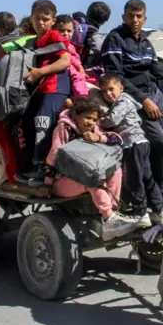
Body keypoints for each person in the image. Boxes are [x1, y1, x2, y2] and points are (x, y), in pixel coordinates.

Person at [101, 0, 163, 204]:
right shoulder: (115, 40)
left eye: (139, 16)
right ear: (124, 17)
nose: (135, 20)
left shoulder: (147, 44)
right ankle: (155, 196)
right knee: (161, 143)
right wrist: (143, 101)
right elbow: (116, 77)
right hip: (133, 99)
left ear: (145, 18)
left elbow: (159, 76)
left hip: (156, 96)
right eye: (131, 15)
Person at [44, 96, 137, 240]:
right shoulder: (65, 128)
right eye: (87, 118)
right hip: (62, 182)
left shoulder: (94, 129)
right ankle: (109, 217)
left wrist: (98, 138)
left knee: (116, 170)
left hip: (85, 175)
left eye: (94, 119)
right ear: (75, 115)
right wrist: (48, 185)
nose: (91, 123)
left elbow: (117, 139)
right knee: (90, 178)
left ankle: (112, 214)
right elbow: (53, 157)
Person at [98, 73, 163, 228]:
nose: (108, 94)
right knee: (147, 178)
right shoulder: (124, 102)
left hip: (132, 145)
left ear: (121, 88)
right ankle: (158, 211)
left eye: (111, 89)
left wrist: (99, 120)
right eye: (104, 91)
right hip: (141, 144)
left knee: (134, 179)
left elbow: (113, 120)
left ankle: (140, 213)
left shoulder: (123, 101)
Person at [22, 0, 73, 187]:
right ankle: (31, 165)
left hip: (55, 89)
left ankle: (43, 170)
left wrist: (39, 73)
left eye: (45, 19)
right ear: (31, 19)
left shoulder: (54, 37)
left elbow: (65, 61)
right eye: (37, 19)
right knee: (26, 121)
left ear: (53, 21)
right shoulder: (33, 41)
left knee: (43, 123)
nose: (41, 23)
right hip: (39, 90)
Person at [72, 1, 111, 68]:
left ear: (88, 12)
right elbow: (98, 50)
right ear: (105, 21)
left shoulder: (72, 24)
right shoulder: (93, 34)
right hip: (82, 69)